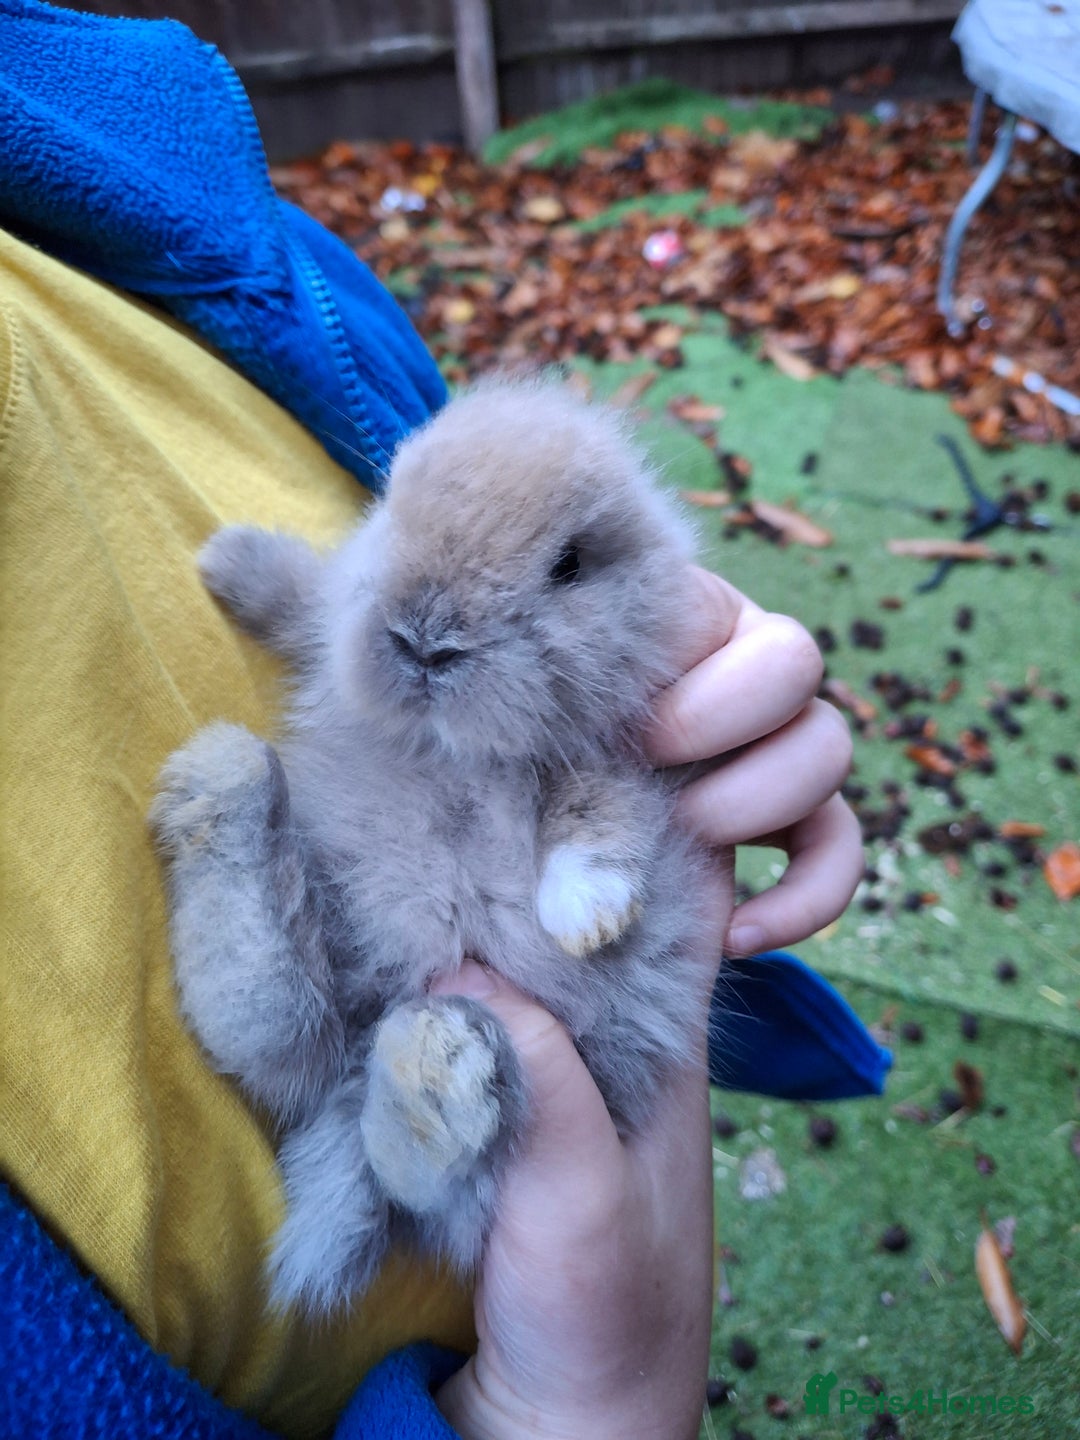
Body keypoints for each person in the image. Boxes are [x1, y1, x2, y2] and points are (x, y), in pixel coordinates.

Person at [0, 3, 872, 1435]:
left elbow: (607, 796)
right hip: (375, 1018)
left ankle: (418, 1126)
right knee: (257, 849)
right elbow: (356, 584)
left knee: (474, 1072)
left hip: (518, 1035)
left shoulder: (123, 163)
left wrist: (661, 775)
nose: (409, 624)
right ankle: (296, 983)